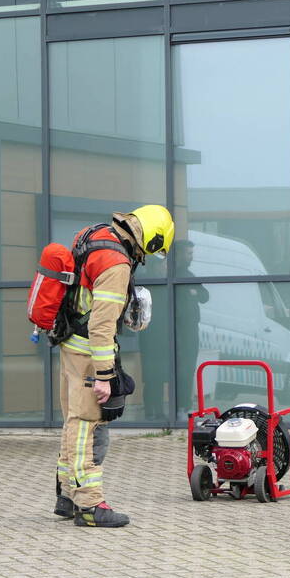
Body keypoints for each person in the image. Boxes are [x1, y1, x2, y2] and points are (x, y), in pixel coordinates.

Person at [54, 204, 174, 528]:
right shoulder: (117, 262)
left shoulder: (92, 234)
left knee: (72, 421)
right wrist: (105, 375)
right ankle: (90, 505)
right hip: (88, 354)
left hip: (70, 345)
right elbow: (102, 325)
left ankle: (66, 496)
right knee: (88, 425)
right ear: (150, 240)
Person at [172, 239, 209, 422]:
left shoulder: (189, 275)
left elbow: (205, 296)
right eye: (189, 253)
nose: (191, 257)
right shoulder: (173, 274)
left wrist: (194, 292)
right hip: (175, 329)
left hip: (190, 330)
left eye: (192, 254)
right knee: (178, 368)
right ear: (178, 254)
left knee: (188, 368)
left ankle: (185, 406)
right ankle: (179, 407)